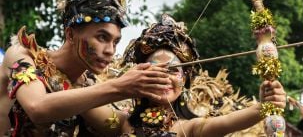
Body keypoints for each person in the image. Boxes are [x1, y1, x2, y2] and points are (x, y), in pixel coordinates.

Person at [0, 0, 172, 136]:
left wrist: (156, 102)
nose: (110, 51)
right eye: (102, 37)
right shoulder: (22, 55)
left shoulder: (88, 84)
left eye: (116, 42)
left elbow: (116, 126)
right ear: (70, 34)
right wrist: (121, 87)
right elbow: (37, 107)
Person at [103, 13, 287, 136]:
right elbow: (79, 99)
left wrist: (263, 106)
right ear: (139, 74)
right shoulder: (120, 121)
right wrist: (122, 87)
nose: (165, 77)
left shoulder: (187, 129)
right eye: (155, 69)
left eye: (174, 70)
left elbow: (228, 122)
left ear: (184, 80)